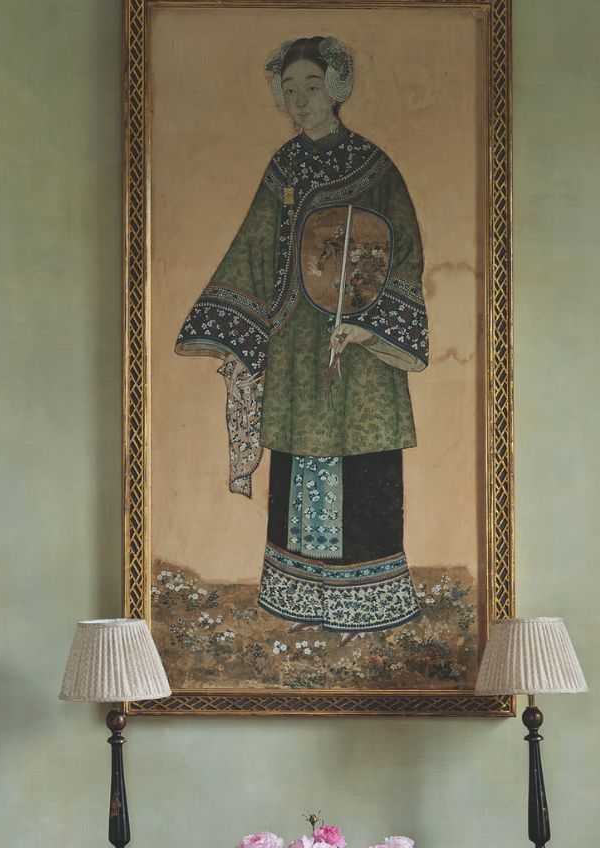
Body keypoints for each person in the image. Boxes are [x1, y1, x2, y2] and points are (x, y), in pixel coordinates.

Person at [176, 35, 428, 633]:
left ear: (337, 88)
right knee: (298, 463)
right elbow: (255, 250)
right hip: (294, 344)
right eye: (289, 91)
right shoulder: (284, 168)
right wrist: (236, 331)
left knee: (365, 465)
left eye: (312, 87)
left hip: (360, 347)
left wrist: (368, 330)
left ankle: (370, 604)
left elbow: (405, 255)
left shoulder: (376, 167)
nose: (301, 100)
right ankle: (299, 603)